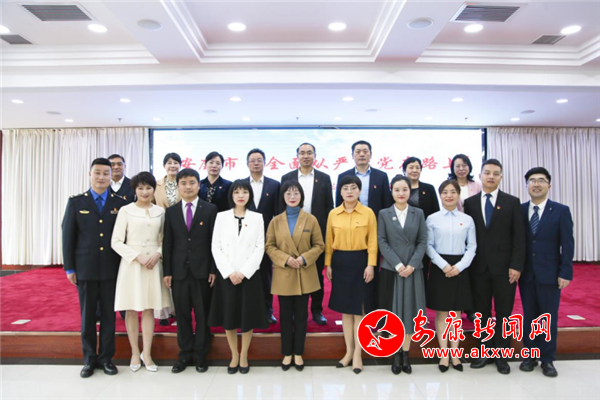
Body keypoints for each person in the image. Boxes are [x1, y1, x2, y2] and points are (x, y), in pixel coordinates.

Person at [61, 157, 127, 378]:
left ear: (111, 176)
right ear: (90, 175)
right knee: (87, 316)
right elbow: (68, 236)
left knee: (109, 316)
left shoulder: (120, 203)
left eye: (106, 173)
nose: (101, 177)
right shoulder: (76, 202)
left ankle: (106, 358)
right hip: (85, 268)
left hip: (111, 268)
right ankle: (89, 359)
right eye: (97, 173)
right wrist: (69, 268)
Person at [464, 159, 526, 375]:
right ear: (480, 176)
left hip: (505, 269)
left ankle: (501, 355)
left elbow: (519, 236)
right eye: (487, 172)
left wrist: (516, 265)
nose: (491, 176)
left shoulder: (512, 202)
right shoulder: (470, 203)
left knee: (503, 313)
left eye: (496, 173)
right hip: (478, 268)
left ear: (501, 177)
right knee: (481, 313)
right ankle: (484, 351)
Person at [112, 172, 171, 372]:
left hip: (153, 264)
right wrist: (138, 256)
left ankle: (147, 353)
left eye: (148, 188)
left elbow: (166, 239)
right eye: (140, 188)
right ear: (134, 190)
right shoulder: (125, 210)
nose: (145, 192)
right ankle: (134, 353)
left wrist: (158, 253)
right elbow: (116, 241)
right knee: (130, 308)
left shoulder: (160, 212)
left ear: (154, 189)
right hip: (132, 265)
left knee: (149, 309)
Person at [209, 179, 269, 374]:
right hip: (227, 276)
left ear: (250, 195)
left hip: (248, 276)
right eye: (237, 192)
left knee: (247, 316)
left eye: (245, 192)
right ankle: (234, 355)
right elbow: (215, 247)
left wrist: (243, 272)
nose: (241, 195)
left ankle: (244, 355)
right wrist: (229, 272)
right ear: (231, 195)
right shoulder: (221, 217)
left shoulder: (257, 218)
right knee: (229, 316)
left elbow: (260, 248)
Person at [519, 167, 574, 378]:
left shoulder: (560, 211)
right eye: (532, 180)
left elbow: (567, 244)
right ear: (527, 185)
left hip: (550, 273)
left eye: (541, 180)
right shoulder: (520, 210)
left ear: (549, 185)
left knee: (548, 317)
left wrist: (565, 272)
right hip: (526, 274)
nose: (536, 184)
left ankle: (548, 359)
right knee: (529, 316)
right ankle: (530, 356)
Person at [162, 168, 218, 374]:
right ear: (178, 186)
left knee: (203, 316)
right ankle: (185, 355)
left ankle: (201, 355)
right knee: (183, 316)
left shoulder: (210, 209)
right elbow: (168, 243)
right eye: (183, 183)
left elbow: (214, 242)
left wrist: (213, 269)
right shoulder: (171, 212)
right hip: (179, 273)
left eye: (192, 182)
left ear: (199, 185)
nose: (188, 187)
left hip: (203, 272)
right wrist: (167, 272)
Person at [266, 180, 325, 371]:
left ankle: (298, 353)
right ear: (283, 197)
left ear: (301, 196)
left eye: (296, 193)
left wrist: (304, 258)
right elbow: (269, 246)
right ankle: (286, 353)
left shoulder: (311, 219)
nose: (292, 197)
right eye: (288, 194)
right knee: (284, 316)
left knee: (301, 315)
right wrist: (285, 259)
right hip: (284, 272)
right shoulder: (276, 221)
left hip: (303, 273)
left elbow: (319, 245)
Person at [326, 175, 378, 374]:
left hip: (361, 263)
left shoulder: (368, 213)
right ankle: (348, 351)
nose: (349, 191)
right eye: (345, 188)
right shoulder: (333, 214)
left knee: (359, 311)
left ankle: (358, 354)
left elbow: (372, 241)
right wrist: (328, 264)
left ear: (359, 191)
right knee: (345, 311)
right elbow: (328, 241)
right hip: (340, 263)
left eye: (353, 187)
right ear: (339, 192)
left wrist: (371, 265)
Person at [377, 175, 427, 375]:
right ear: (391, 191)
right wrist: (398, 264)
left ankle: (406, 354)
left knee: (410, 313)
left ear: (409, 191)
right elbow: (382, 241)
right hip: (393, 270)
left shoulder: (418, 213)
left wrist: (412, 265)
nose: (401, 193)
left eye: (404, 189)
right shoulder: (384, 213)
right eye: (397, 189)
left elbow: (422, 241)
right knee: (393, 313)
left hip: (413, 270)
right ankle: (395, 354)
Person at [426, 180, 476, 373]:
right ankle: (443, 354)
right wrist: (444, 265)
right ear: (440, 195)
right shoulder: (432, 219)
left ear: (458, 195)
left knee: (456, 314)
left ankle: (455, 354)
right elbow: (428, 246)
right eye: (445, 192)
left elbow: (472, 247)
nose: (449, 195)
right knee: (442, 313)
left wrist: (460, 267)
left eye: (453, 192)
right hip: (440, 267)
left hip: (460, 268)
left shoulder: (467, 219)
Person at [281, 143, 333, 325]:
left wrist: (325, 234)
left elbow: (329, 207)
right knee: (293, 272)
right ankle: (295, 311)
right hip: (292, 234)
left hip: (315, 234)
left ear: (315, 156)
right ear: (297, 156)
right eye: (302, 153)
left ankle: (317, 311)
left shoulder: (324, 178)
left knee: (316, 273)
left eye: (309, 153)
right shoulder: (287, 177)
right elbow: (282, 206)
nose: (305, 156)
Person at [244, 148, 280, 324]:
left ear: (265, 163)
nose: (256, 163)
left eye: (259, 160)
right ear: (247, 163)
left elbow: (278, 214)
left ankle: (267, 310)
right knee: (247, 274)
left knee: (266, 276)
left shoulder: (274, 185)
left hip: (266, 239)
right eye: (253, 160)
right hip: (245, 239)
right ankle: (248, 310)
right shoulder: (241, 185)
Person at [402, 156, 440, 292]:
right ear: (404, 170)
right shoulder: (399, 189)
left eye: (417, 167)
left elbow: (435, 212)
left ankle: (421, 298)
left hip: (423, 236)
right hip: (403, 237)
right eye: (411, 167)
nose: (414, 170)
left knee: (422, 268)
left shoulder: (428, 189)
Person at [153, 152, 181, 324]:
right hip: (160, 229)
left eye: (175, 162)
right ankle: (163, 312)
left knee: (176, 271)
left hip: (180, 229)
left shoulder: (184, 183)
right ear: (164, 165)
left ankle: (176, 310)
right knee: (161, 271)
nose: (172, 166)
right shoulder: (156, 184)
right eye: (169, 163)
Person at [335, 140, 393, 218]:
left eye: (365, 151)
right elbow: (339, 203)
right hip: (350, 220)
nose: (362, 154)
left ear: (371, 154)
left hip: (376, 219)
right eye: (358, 152)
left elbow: (387, 203)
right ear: (352, 155)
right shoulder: (343, 176)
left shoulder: (382, 176)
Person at [108, 153, 134, 320]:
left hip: (129, 238)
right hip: (108, 236)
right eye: (112, 164)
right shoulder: (103, 185)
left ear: (125, 166)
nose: (116, 167)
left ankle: (126, 310)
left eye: (119, 164)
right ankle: (104, 310)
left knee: (126, 276)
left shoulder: (133, 186)